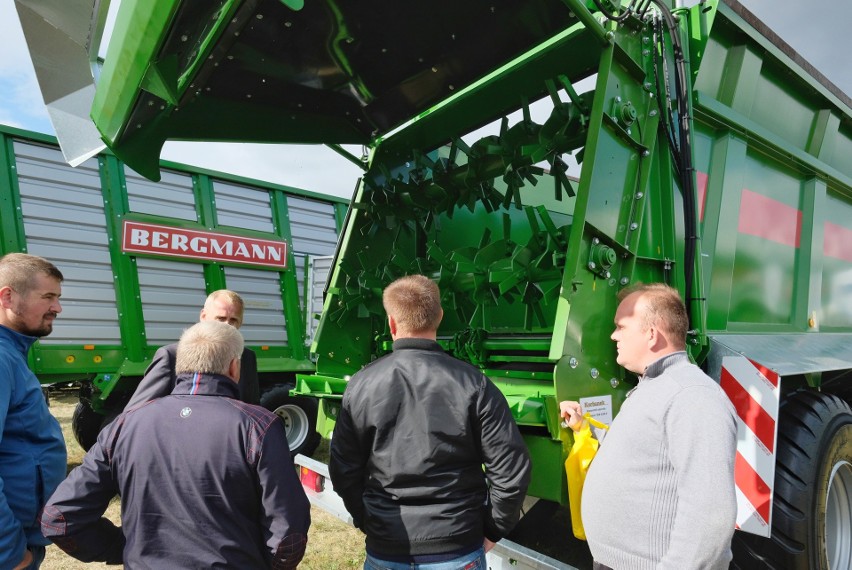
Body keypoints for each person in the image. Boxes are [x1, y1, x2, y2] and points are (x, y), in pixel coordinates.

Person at [41, 320, 311, 567]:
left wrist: (124, 548)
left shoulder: (125, 425)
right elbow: (288, 531)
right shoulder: (257, 426)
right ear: (234, 366)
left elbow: (60, 518)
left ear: (180, 363)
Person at [329, 274, 531, 570]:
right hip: (456, 547)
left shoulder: (361, 385)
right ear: (440, 317)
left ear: (392, 323)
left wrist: (370, 519)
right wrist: (493, 529)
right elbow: (511, 470)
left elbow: (343, 469)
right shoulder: (475, 384)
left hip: (387, 546)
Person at [560, 283, 737, 570]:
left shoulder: (693, 396)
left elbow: (711, 516)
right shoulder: (652, 386)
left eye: (621, 326)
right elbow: (641, 450)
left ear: (652, 333)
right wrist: (585, 428)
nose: (613, 335)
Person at [0, 253, 67, 570]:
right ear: (7, 296)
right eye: (48, 297)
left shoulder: (12, 353)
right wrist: (11, 554)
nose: (57, 308)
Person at [125, 289, 260, 409]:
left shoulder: (246, 357)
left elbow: (252, 407)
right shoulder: (171, 355)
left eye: (233, 320)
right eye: (221, 318)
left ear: (241, 322)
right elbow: (137, 411)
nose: (227, 325)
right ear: (203, 316)